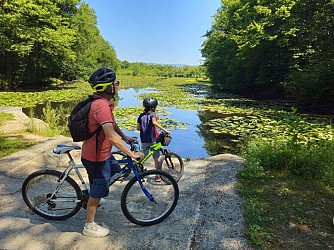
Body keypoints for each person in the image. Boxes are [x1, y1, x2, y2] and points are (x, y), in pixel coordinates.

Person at [81, 67, 144, 238]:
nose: (117, 85)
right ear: (109, 87)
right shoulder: (100, 106)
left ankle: (97, 194)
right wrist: (132, 154)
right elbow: (110, 136)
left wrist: (125, 138)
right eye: (115, 83)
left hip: (104, 155)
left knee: (117, 171)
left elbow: (112, 124)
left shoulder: (103, 103)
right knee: (98, 190)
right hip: (96, 158)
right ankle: (89, 225)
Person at [136, 97, 171, 182]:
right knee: (156, 158)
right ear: (153, 107)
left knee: (143, 157)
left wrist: (144, 128)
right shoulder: (153, 114)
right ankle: (158, 175)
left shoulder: (141, 115)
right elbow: (154, 122)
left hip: (144, 139)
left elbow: (138, 128)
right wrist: (165, 130)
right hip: (153, 139)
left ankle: (140, 173)